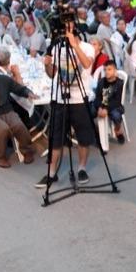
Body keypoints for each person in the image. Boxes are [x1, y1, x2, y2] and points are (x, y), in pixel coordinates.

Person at [35, 20, 97, 188]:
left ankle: (82, 168)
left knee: (83, 137)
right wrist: (47, 66)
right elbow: (52, 74)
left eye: (68, 32)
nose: (64, 35)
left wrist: (74, 45)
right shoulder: (57, 47)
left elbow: (86, 64)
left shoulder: (86, 47)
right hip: (60, 98)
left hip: (79, 98)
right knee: (56, 138)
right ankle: (51, 173)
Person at [93, 60, 126, 144]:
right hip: (102, 105)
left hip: (114, 106)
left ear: (115, 70)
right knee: (90, 111)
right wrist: (100, 107)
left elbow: (117, 101)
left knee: (116, 115)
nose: (106, 72)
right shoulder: (101, 82)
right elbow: (97, 97)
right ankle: (98, 132)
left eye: (109, 69)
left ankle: (118, 130)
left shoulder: (119, 83)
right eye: (105, 70)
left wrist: (106, 109)